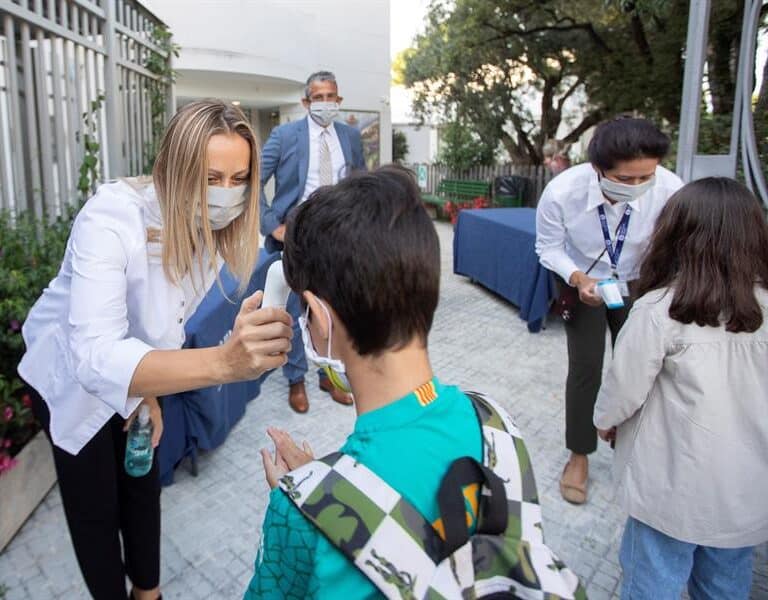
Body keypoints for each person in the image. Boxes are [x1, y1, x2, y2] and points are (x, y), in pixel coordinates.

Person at [244, 166, 583, 599]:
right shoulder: (496, 420)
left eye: (303, 313)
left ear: (320, 316)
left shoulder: (297, 513)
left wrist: (305, 503)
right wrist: (319, 489)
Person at [17, 100, 293, 600]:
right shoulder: (111, 215)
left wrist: (149, 398)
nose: (226, 194)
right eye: (212, 176)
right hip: (69, 379)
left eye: (239, 178)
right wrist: (225, 363)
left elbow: (165, 328)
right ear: (175, 167)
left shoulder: (212, 229)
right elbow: (95, 356)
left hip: (137, 374)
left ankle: (149, 592)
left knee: (142, 480)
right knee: (95, 505)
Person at [593, 177, 768, 599]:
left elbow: (624, 388)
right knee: (726, 584)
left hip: (668, 490)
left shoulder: (659, 311)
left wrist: (604, 421)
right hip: (747, 490)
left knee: (653, 582)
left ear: (675, 236)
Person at [535, 116, 683, 505]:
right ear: (598, 169)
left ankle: (633, 444)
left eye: (645, 178)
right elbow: (548, 248)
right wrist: (578, 278)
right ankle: (579, 454)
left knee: (641, 366)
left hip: (640, 283)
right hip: (584, 282)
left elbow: (679, 246)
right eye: (626, 179)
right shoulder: (561, 192)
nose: (638, 187)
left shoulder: (670, 189)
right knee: (586, 368)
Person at [259, 70, 366, 413]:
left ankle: (327, 375)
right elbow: (253, 181)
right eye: (318, 97)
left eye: (330, 96)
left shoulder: (350, 136)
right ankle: (296, 381)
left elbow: (360, 184)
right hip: (295, 238)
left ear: (339, 100)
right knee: (294, 310)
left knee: (331, 311)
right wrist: (271, 224)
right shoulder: (284, 135)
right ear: (306, 102)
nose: (325, 103)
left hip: (336, 238)